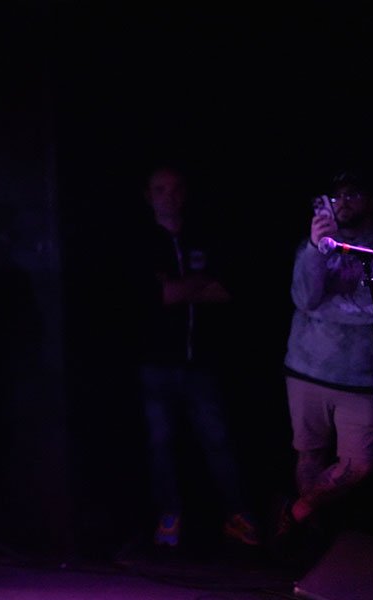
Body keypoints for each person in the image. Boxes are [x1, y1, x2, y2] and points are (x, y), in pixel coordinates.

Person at [131, 164, 260, 550]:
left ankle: (237, 514)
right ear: (148, 195)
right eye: (160, 189)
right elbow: (157, 297)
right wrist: (192, 285)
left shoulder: (204, 237)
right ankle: (169, 514)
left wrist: (179, 286)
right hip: (156, 361)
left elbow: (225, 290)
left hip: (202, 360)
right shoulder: (142, 242)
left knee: (218, 439)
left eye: (175, 189)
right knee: (161, 443)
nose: (169, 196)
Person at [276, 168, 373, 552]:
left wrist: (325, 307)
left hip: (359, 377)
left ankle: (298, 511)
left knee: (360, 463)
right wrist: (313, 248)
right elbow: (304, 298)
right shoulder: (316, 244)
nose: (343, 203)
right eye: (337, 196)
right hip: (306, 368)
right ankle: (310, 542)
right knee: (309, 454)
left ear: (371, 200)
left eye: (353, 194)